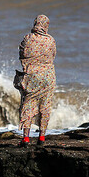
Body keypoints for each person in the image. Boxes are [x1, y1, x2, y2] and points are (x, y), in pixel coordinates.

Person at [17, 14, 56, 146]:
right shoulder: (51, 40)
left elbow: (21, 54)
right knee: (45, 106)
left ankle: (26, 138)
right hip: (48, 78)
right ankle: (42, 137)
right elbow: (53, 56)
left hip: (32, 77)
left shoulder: (27, 38)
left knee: (28, 105)